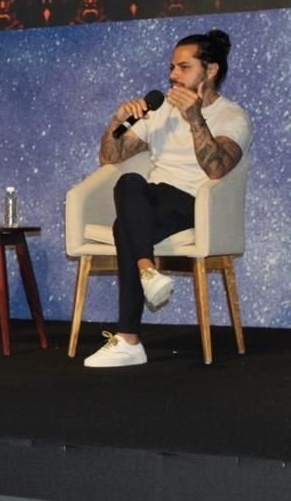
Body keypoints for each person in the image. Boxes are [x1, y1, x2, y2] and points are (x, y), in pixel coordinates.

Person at [84, 30, 252, 368]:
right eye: (172, 67)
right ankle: (148, 272)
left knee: (123, 228)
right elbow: (109, 157)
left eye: (184, 67)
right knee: (129, 180)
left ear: (211, 70)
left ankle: (130, 338)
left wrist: (194, 118)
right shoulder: (158, 111)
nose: (173, 75)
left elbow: (217, 168)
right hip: (152, 198)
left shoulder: (233, 117)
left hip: (196, 203)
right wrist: (117, 122)